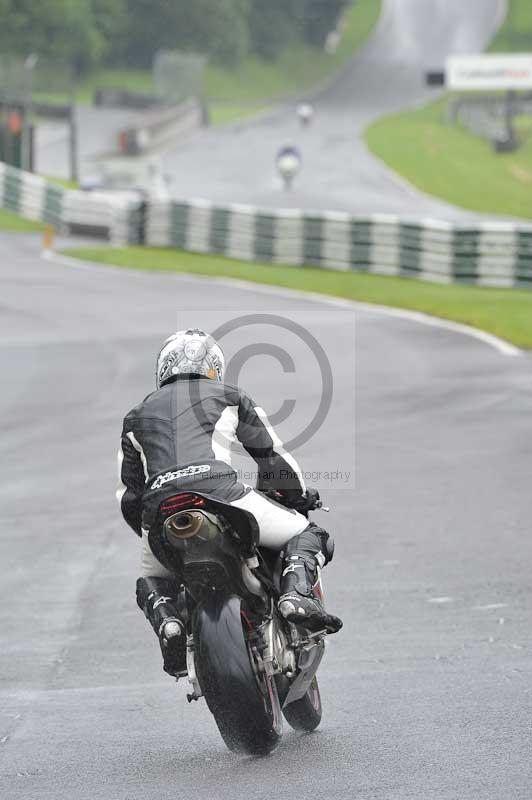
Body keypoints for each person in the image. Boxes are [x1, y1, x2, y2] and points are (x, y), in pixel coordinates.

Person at [116, 328, 342, 676]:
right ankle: (296, 595)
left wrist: (152, 534)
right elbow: (274, 460)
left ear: (163, 370)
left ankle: (168, 622)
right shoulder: (230, 396)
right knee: (310, 533)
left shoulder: (135, 417)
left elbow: (130, 497)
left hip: (161, 512)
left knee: (150, 578)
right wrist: (296, 497)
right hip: (222, 495)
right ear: (214, 366)